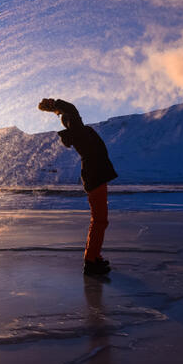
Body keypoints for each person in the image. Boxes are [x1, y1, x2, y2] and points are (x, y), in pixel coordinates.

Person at [39, 98, 118, 276]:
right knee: (99, 221)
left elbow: (71, 112)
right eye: (73, 119)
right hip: (95, 176)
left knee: (99, 221)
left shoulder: (79, 133)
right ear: (71, 123)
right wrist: (56, 105)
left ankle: (94, 257)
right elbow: (72, 110)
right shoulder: (79, 131)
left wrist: (56, 110)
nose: (78, 119)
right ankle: (91, 262)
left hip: (96, 176)